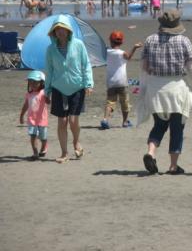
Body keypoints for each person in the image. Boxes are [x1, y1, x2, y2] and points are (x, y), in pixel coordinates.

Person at [138, 10, 192, 174]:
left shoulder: (150, 40)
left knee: (159, 125)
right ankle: (173, 166)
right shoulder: (184, 41)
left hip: (155, 89)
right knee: (177, 128)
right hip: (176, 89)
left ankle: (150, 152)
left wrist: (144, 86)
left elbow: (144, 67)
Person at [44, 15, 94, 163]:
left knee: (73, 120)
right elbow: (49, 70)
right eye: (57, 29)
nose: (60, 32)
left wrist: (89, 83)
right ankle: (64, 153)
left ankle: (76, 142)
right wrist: (47, 90)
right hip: (58, 88)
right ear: (54, 32)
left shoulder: (78, 45)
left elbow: (86, 65)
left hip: (77, 87)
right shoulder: (50, 49)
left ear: (68, 31)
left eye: (63, 29)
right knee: (62, 121)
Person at [100, 31, 142, 129]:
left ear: (110, 41)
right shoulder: (122, 53)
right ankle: (125, 122)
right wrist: (135, 47)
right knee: (125, 102)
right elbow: (129, 57)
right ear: (121, 42)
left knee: (110, 102)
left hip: (111, 82)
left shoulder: (107, 52)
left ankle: (105, 119)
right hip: (122, 82)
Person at [19, 70, 49, 160]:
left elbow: (48, 101)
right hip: (31, 120)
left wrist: (48, 96)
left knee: (43, 137)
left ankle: (44, 146)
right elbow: (26, 105)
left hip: (42, 120)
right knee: (33, 136)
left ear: (42, 83)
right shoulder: (29, 94)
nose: (32, 84)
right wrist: (21, 115)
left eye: (35, 82)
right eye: (30, 82)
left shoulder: (43, 93)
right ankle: (35, 152)